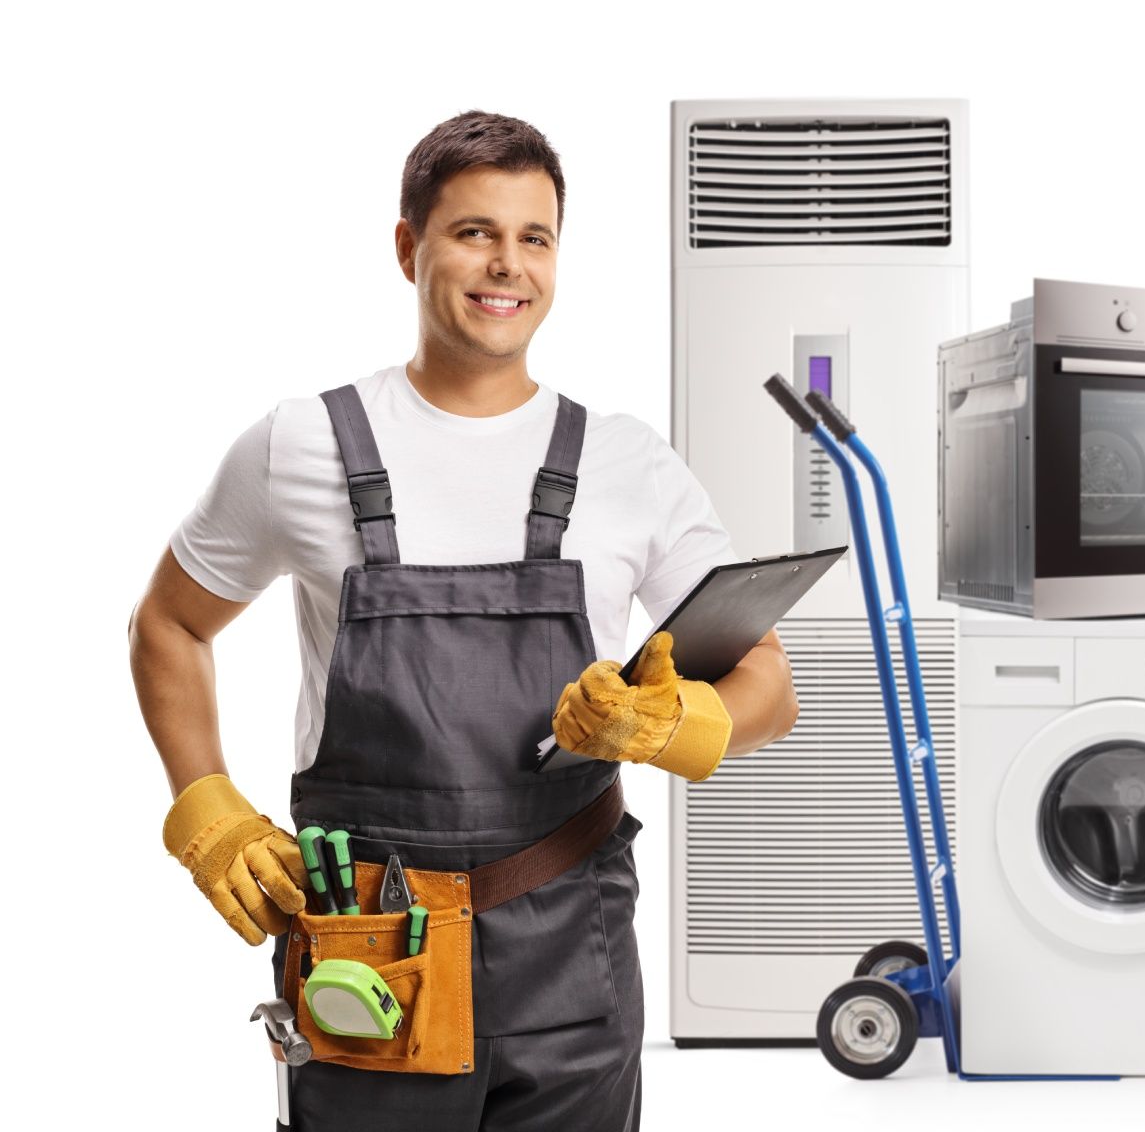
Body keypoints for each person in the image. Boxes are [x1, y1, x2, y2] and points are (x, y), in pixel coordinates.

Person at [128, 110, 798, 1130]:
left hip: (573, 952)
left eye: (535, 237)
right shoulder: (302, 443)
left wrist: (669, 725)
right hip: (369, 953)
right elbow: (169, 624)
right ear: (410, 246)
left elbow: (770, 681)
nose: (508, 265)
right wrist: (207, 807)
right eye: (475, 231)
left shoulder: (628, 464)